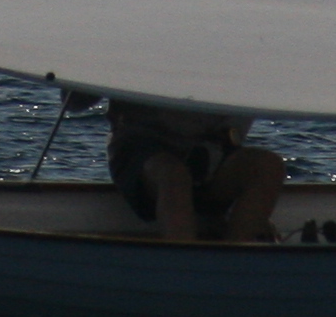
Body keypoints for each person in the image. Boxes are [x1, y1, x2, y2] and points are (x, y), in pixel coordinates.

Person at [103, 96, 285, 243]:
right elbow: (84, 98)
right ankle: (183, 266)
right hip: (144, 148)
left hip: (216, 151)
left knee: (268, 166)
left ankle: (235, 260)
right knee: (173, 176)